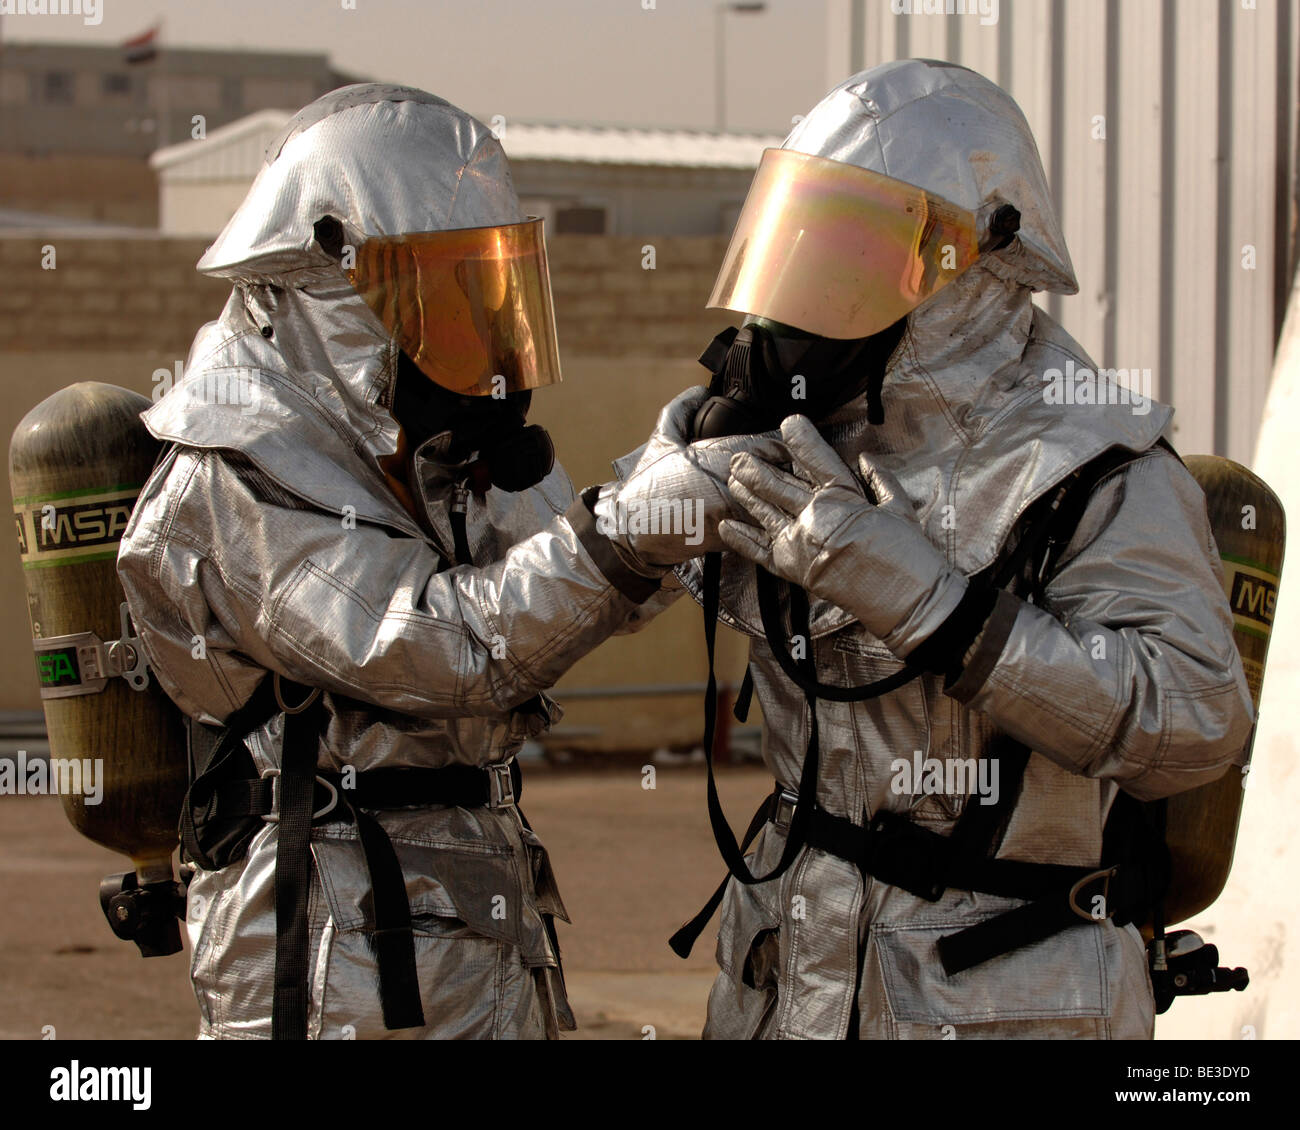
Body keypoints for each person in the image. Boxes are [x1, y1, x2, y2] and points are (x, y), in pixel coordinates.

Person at [116, 83, 769, 1040]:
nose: (478, 337)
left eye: (489, 291)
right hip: (335, 956)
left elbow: (590, 594)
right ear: (327, 290)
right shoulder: (233, 476)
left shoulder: (432, 449)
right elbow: (452, 647)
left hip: (473, 925)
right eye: (439, 295)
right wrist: (638, 524)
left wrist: (690, 456)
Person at [658, 59, 1254, 1039]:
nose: (812, 287)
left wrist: (944, 611)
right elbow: (578, 597)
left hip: (994, 998)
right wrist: (629, 515)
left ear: (978, 257)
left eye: (855, 251)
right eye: (806, 242)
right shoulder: (791, 431)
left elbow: (1193, 719)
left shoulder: (1098, 464)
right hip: (791, 975)